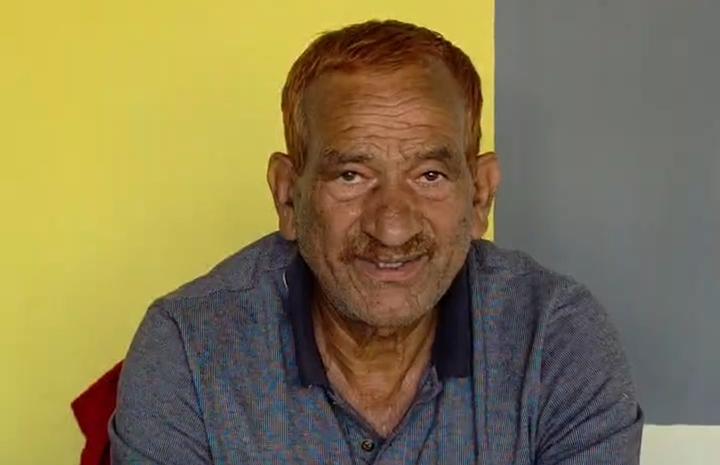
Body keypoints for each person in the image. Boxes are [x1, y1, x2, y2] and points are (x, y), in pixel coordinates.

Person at [110, 19, 643, 465]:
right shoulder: (190, 348)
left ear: (480, 197)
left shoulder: (556, 341)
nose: (392, 228)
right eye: (351, 176)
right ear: (289, 197)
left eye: (429, 175)